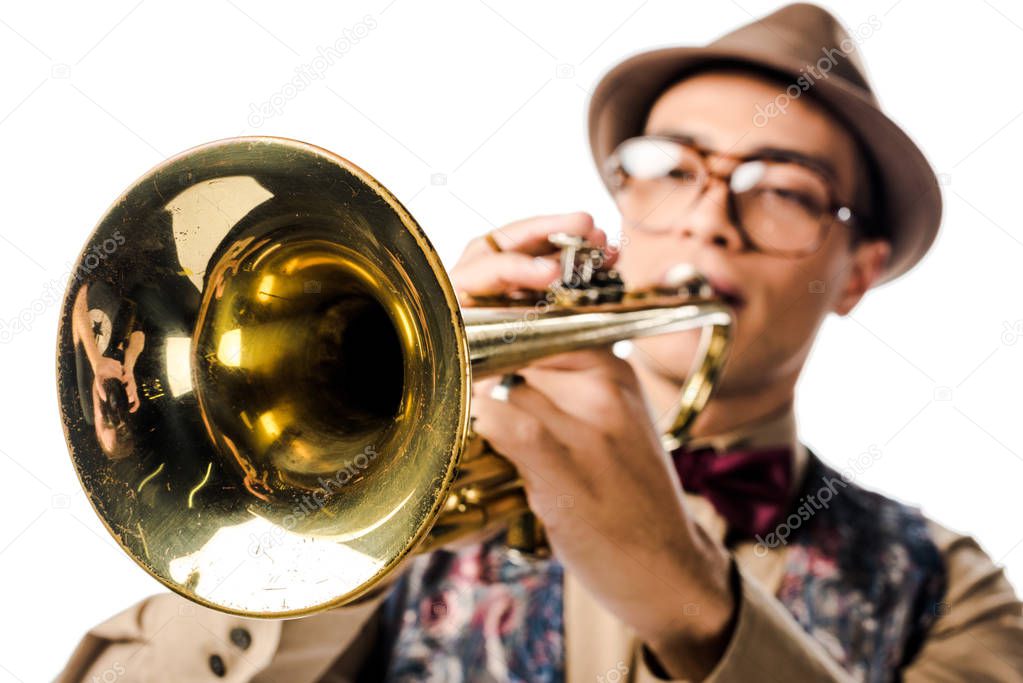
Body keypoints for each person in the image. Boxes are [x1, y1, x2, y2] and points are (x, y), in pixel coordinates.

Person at [57, 4, 1023, 682]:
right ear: (621, 203)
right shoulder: (422, 494)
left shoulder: (950, 588)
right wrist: (354, 494)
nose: (707, 216)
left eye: (779, 186)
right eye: (669, 168)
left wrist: (698, 607)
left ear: (855, 269)